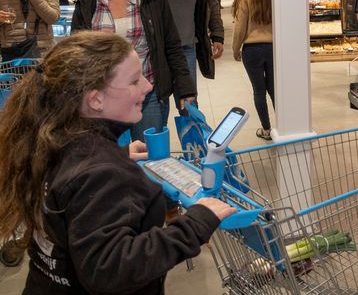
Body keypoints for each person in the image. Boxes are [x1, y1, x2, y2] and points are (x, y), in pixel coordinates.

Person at [0, 31, 234, 294]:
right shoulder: (102, 172)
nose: (147, 86)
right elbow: (109, 269)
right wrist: (195, 225)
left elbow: (72, 187)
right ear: (96, 99)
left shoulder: (52, 140)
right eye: (134, 80)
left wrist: (117, 157)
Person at [72, 0, 196, 141]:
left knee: (149, 155)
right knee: (110, 159)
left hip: (148, 93)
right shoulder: (87, 4)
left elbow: (172, 46)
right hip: (104, 98)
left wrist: (185, 88)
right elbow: (76, 54)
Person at [136, 0, 225, 107]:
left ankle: (191, 135)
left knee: (188, 105)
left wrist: (217, 35)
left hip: (186, 49)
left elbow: (211, 5)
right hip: (153, 51)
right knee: (154, 107)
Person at [232, 0, 274, 141]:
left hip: (252, 49)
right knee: (274, 89)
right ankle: (284, 127)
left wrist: (235, 48)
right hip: (273, 48)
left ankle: (266, 129)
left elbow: (240, 28)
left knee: (259, 91)